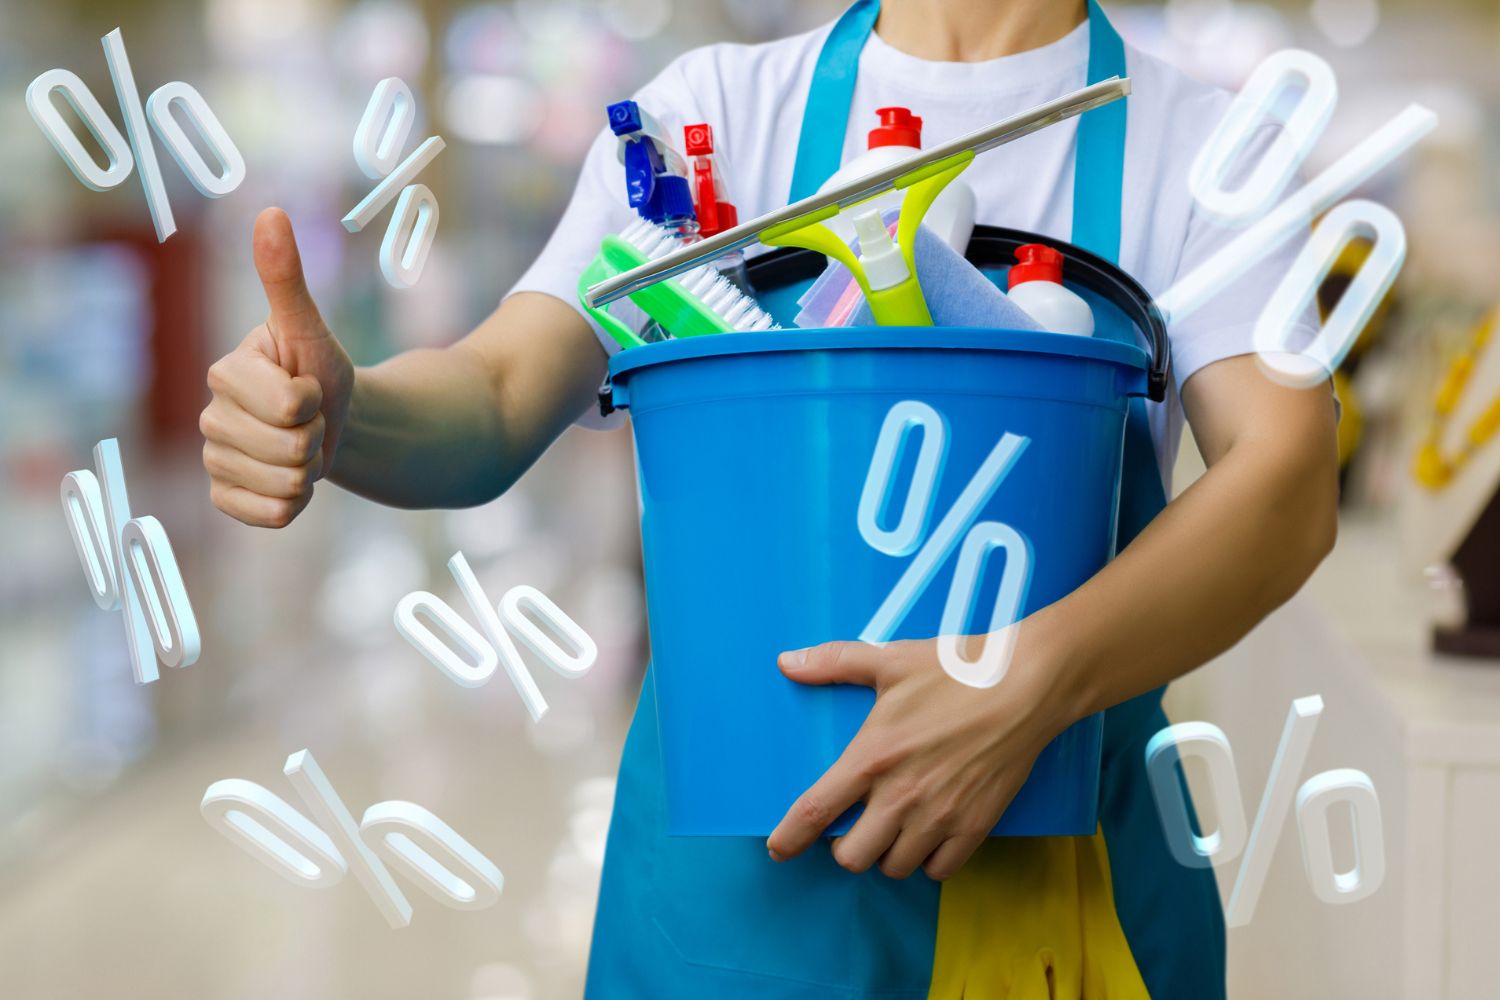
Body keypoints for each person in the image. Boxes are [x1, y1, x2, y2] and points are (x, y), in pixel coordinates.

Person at [199, 0, 1338, 995]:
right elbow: (501, 392)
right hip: (734, 899)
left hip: (1066, 904)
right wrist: (345, 412)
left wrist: (1026, 682)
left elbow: (1286, 478)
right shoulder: (723, 114)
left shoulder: (1204, 149)